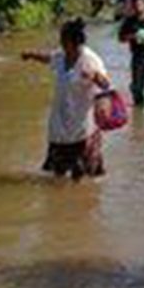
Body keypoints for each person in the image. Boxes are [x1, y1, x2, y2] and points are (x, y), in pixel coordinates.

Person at [22, 18, 112, 181]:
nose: (60, 42)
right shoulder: (62, 56)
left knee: (81, 176)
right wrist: (31, 55)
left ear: (72, 41)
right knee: (58, 174)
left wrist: (94, 76)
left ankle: (78, 203)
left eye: (63, 39)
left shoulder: (90, 60)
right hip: (60, 121)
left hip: (82, 125)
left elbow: (106, 85)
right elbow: (49, 58)